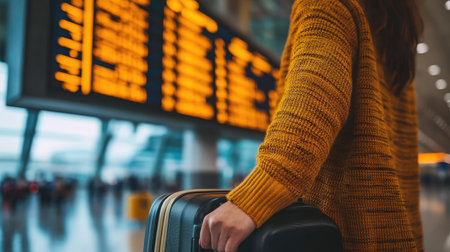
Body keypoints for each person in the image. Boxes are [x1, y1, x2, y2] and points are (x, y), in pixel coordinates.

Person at [199, 0, 424, 251]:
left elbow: (316, 95)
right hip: (395, 233)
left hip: (340, 236)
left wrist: (253, 199)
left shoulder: (328, 5)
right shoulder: (393, 41)